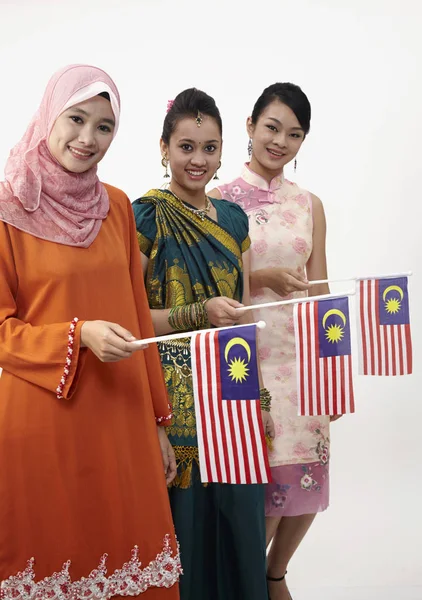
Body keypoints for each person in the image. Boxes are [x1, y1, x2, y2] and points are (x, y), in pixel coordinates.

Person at [0, 64, 180, 599]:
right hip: (44, 418)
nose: (88, 139)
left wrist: (158, 420)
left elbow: (137, 314)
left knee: (129, 551)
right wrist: (77, 337)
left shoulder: (117, 207)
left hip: (121, 417)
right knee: (53, 553)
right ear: (49, 115)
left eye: (104, 127)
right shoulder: (7, 209)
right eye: (76, 119)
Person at [133, 88, 274, 600]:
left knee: (240, 526)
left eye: (210, 148)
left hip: (233, 391)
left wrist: (260, 398)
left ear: (222, 150)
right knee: (185, 533)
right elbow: (131, 319)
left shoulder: (235, 221)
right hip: (176, 398)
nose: (198, 159)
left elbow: (242, 313)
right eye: (186, 146)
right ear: (165, 146)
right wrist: (197, 313)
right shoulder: (145, 217)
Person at [212, 82, 339, 600]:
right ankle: (243, 584)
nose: (280, 141)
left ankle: (274, 574)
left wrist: (334, 369)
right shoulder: (218, 201)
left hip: (304, 363)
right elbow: (217, 291)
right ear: (249, 126)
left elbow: (324, 288)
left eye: (294, 133)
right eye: (272, 127)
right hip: (249, 363)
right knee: (261, 490)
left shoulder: (310, 205)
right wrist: (260, 275)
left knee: (308, 482)